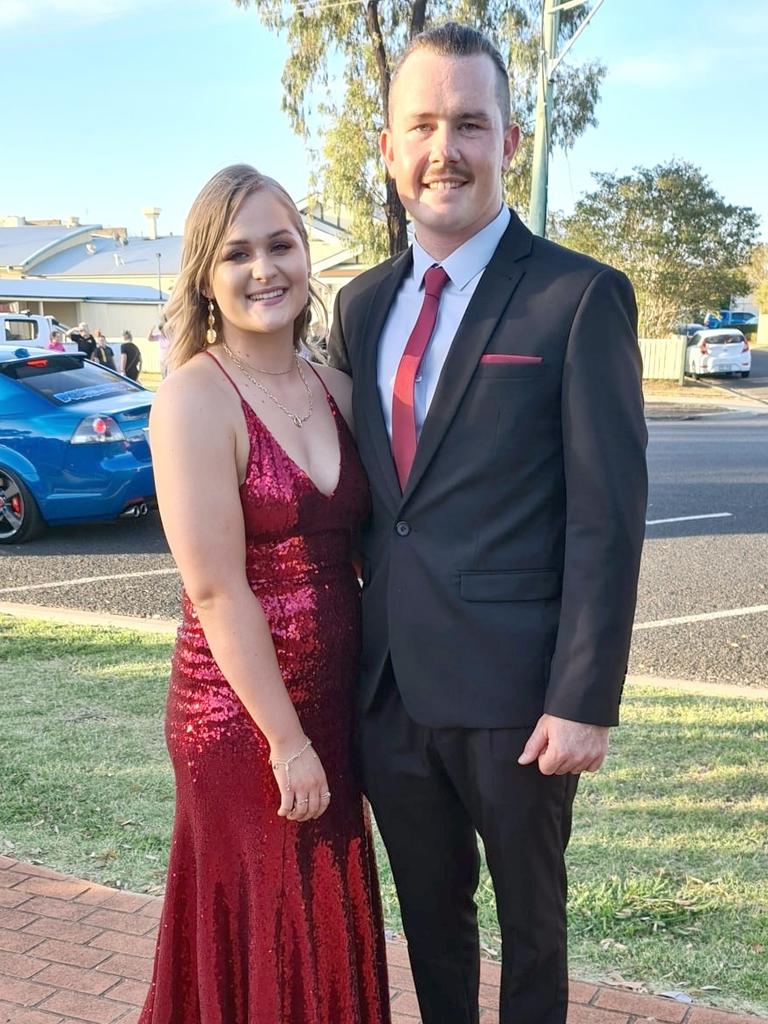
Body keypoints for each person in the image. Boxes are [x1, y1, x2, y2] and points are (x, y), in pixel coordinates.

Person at [328, 23, 648, 1024]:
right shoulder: (361, 305)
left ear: (510, 143)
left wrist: (584, 696)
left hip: (520, 703)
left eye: (470, 124)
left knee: (532, 935)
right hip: (390, 695)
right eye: (421, 125)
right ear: (386, 146)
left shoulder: (578, 297)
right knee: (429, 924)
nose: (444, 151)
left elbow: (608, 515)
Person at [138, 164, 390, 1024]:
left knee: (325, 916)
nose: (263, 270)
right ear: (206, 276)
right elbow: (215, 590)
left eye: (281, 245)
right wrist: (285, 741)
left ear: (307, 256)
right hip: (242, 719)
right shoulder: (194, 400)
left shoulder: (340, 391)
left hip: (334, 707)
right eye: (237, 253)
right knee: (270, 923)